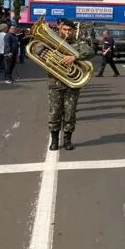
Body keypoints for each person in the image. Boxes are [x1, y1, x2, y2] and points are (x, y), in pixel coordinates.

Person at [43, 18, 95, 151]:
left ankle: (67, 140)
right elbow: (37, 48)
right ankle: (54, 140)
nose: (67, 32)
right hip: (55, 83)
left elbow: (90, 52)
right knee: (54, 113)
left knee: (70, 114)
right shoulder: (52, 42)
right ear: (60, 29)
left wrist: (75, 57)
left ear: (74, 31)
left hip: (72, 84)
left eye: (70, 30)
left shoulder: (78, 44)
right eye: (64, 29)